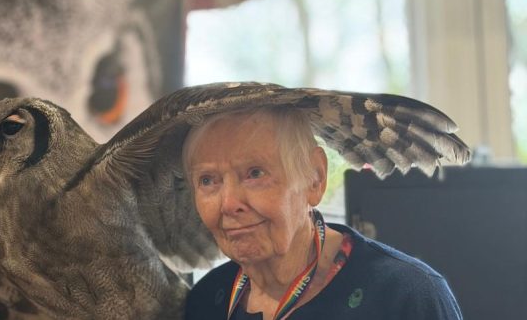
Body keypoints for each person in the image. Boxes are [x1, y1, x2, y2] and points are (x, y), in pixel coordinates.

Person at [182, 106, 462, 319]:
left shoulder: (405, 296)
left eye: (255, 173)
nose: (229, 203)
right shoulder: (206, 302)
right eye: (207, 180)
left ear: (315, 178)